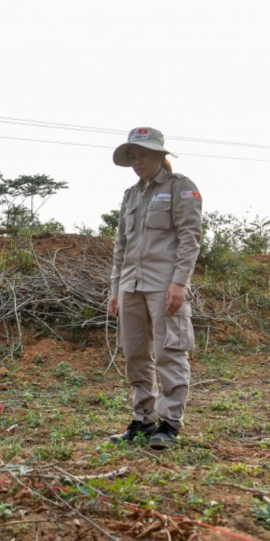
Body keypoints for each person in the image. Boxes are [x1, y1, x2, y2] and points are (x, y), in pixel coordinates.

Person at [106, 126, 203, 451]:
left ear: (160, 156)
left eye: (143, 154)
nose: (137, 161)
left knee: (168, 352)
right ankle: (143, 420)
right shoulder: (130, 195)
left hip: (165, 285)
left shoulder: (181, 188)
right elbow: (121, 245)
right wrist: (115, 288)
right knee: (135, 354)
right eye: (133, 155)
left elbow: (190, 237)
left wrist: (179, 282)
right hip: (130, 285)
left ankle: (169, 424)